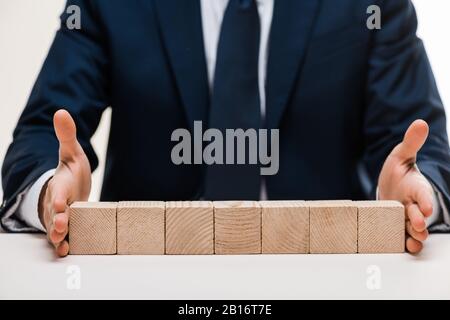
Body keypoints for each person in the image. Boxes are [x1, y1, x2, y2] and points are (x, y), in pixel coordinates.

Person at [1, 0, 449, 257]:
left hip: (327, 271)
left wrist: (415, 194)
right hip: (147, 273)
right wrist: (49, 191)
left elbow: (419, 148)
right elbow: (44, 132)